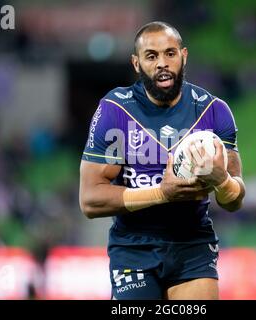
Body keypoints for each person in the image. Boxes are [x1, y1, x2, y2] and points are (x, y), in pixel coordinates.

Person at [79, 21, 245, 300]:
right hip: (134, 249)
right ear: (136, 63)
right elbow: (90, 200)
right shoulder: (115, 110)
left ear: (184, 56)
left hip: (193, 244)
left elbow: (234, 201)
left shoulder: (214, 111)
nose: (162, 63)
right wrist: (162, 193)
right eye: (151, 56)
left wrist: (222, 180)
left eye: (170, 53)